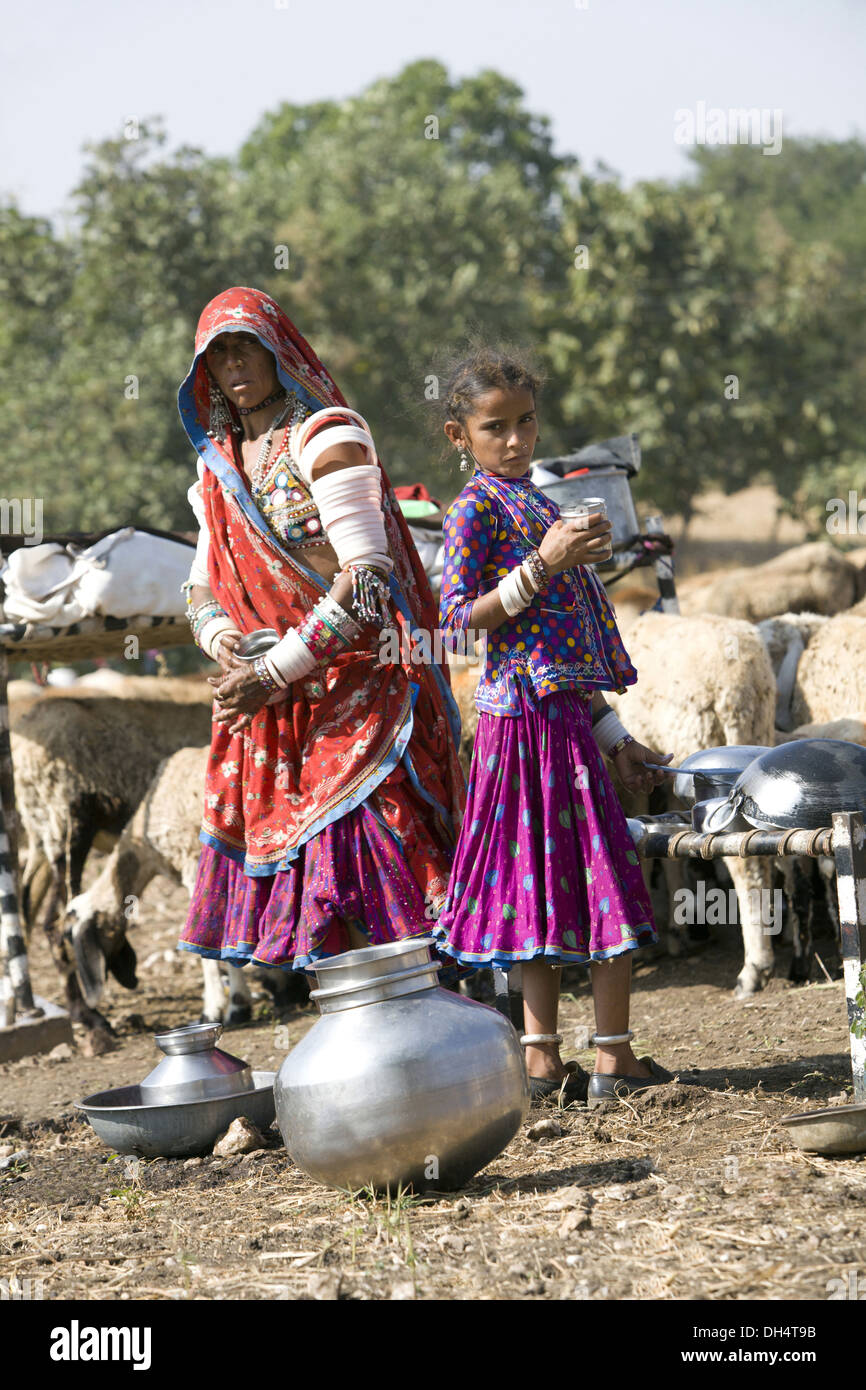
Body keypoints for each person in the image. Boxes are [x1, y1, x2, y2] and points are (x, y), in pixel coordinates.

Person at [177, 287, 465, 976]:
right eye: (218, 356)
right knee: (316, 896)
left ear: (281, 350)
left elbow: (366, 580)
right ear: (203, 375)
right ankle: (365, 1053)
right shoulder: (215, 468)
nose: (236, 365)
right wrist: (227, 646)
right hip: (274, 708)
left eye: (248, 346)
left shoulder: (326, 435)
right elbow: (201, 584)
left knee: (375, 858)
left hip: (364, 689)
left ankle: (458, 1034)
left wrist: (276, 669)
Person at [433, 348, 675, 1106]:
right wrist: (543, 565)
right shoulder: (475, 510)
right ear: (458, 436)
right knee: (566, 882)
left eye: (526, 421)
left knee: (561, 882)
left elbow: (562, 649)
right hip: (521, 727)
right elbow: (451, 626)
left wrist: (617, 739)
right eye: (494, 427)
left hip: (563, 719)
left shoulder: (537, 501)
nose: (515, 440)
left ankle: (564, 1059)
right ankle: (600, 1060)